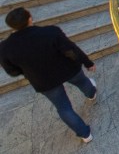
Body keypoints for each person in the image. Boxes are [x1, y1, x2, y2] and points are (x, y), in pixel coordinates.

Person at [0, 8, 97, 141]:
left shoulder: (5, 48)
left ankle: (85, 134)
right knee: (83, 82)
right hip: (67, 69)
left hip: (43, 80)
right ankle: (91, 94)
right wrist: (87, 62)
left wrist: (27, 71)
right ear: (30, 19)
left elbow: (12, 71)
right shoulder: (50, 32)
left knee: (63, 108)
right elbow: (71, 50)